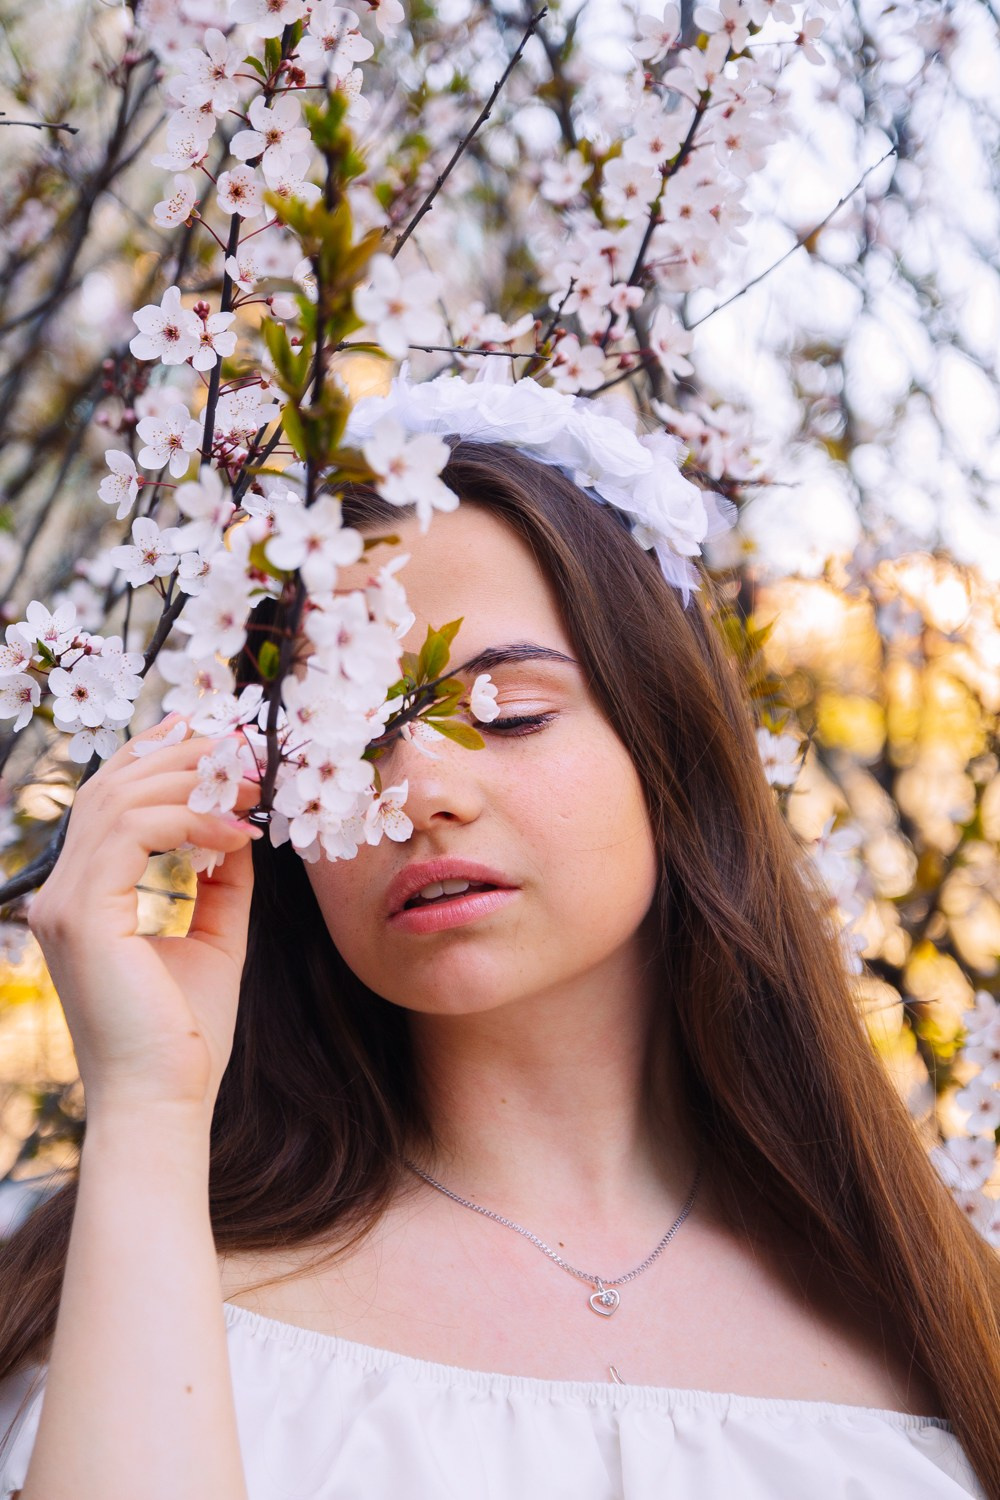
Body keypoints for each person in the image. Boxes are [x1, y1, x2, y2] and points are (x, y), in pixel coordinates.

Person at [0, 378, 997, 1500]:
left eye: (508, 714)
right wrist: (148, 1107)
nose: (420, 790)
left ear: (667, 743)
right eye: (347, 740)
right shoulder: (148, 1303)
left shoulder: (931, 1324)